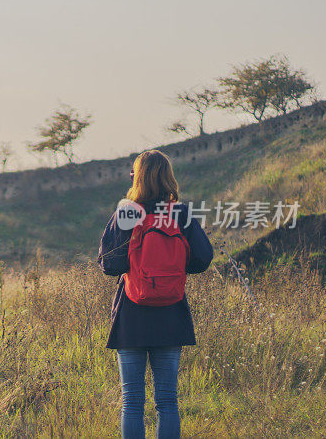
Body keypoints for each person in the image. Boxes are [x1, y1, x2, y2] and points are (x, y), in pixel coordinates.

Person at [97, 150, 213, 439]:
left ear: (138, 176)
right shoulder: (180, 214)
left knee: (132, 402)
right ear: (167, 176)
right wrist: (171, 267)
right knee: (167, 402)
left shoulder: (127, 213)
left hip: (132, 315)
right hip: (171, 314)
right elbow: (202, 259)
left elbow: (109, 265)